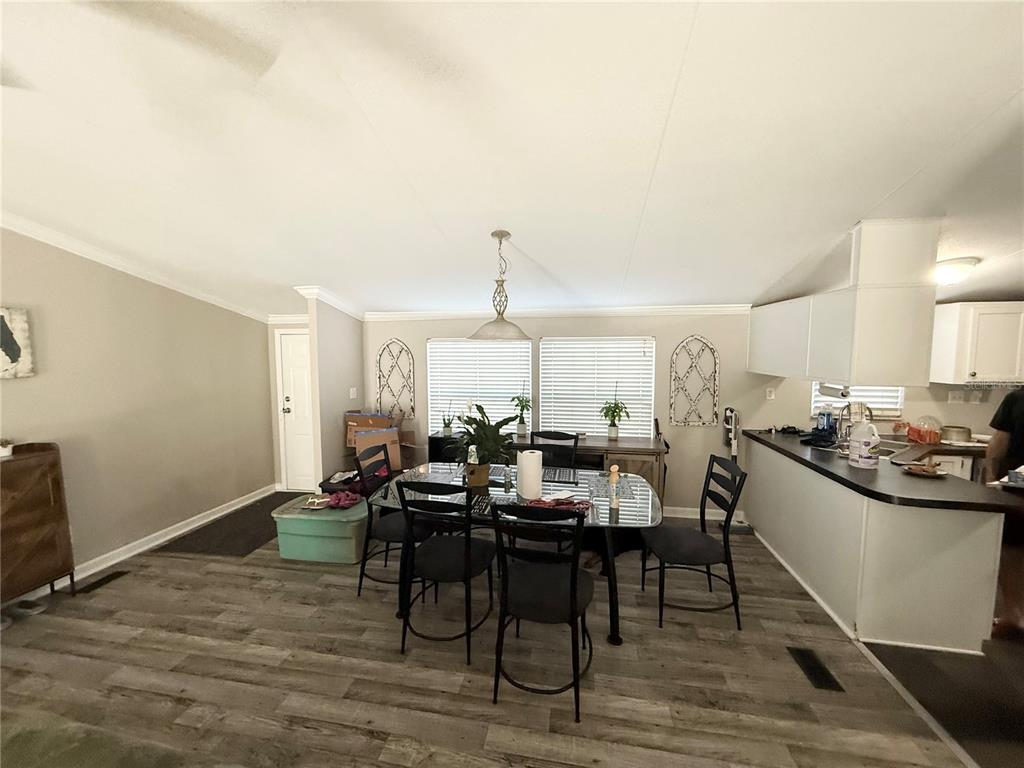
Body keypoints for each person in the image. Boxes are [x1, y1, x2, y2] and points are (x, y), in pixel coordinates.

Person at [985, 386, 1024, 641]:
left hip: (1017, 482)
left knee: (1011, 551)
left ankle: (1013, 616)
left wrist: (990, 479)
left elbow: (999, 444)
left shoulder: (1017, 398)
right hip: (1017, 481)